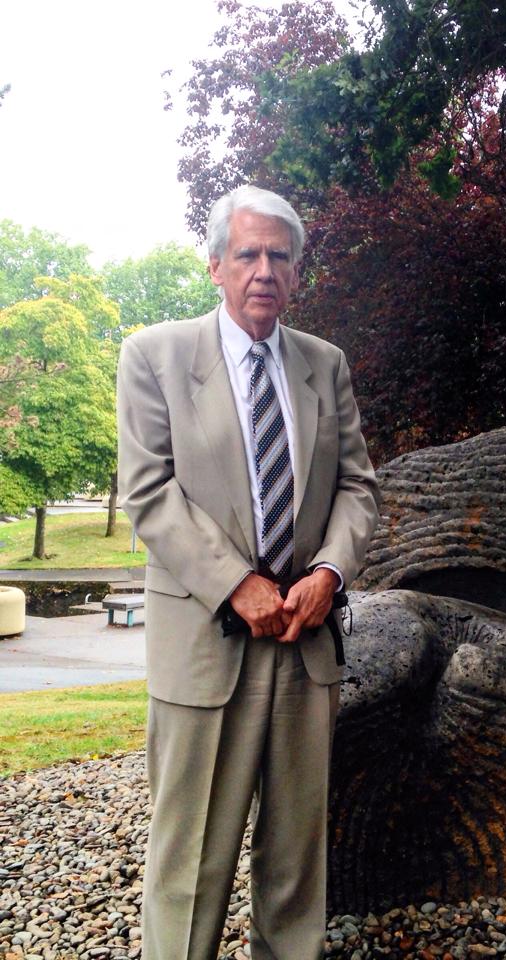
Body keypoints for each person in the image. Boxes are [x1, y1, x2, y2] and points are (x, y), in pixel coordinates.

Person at [117, 184, 381, 959]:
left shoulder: (324, 365)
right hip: (206, 645)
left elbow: (358, 487)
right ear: (216, 266)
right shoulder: (155, 357)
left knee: (297, 861)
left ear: (297, 271)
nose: (264, 269)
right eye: (248, 254)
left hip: (306, 640)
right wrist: (238, 583)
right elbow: (148, 490)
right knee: (189, 861)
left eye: (280, 256)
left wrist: (330, 572)